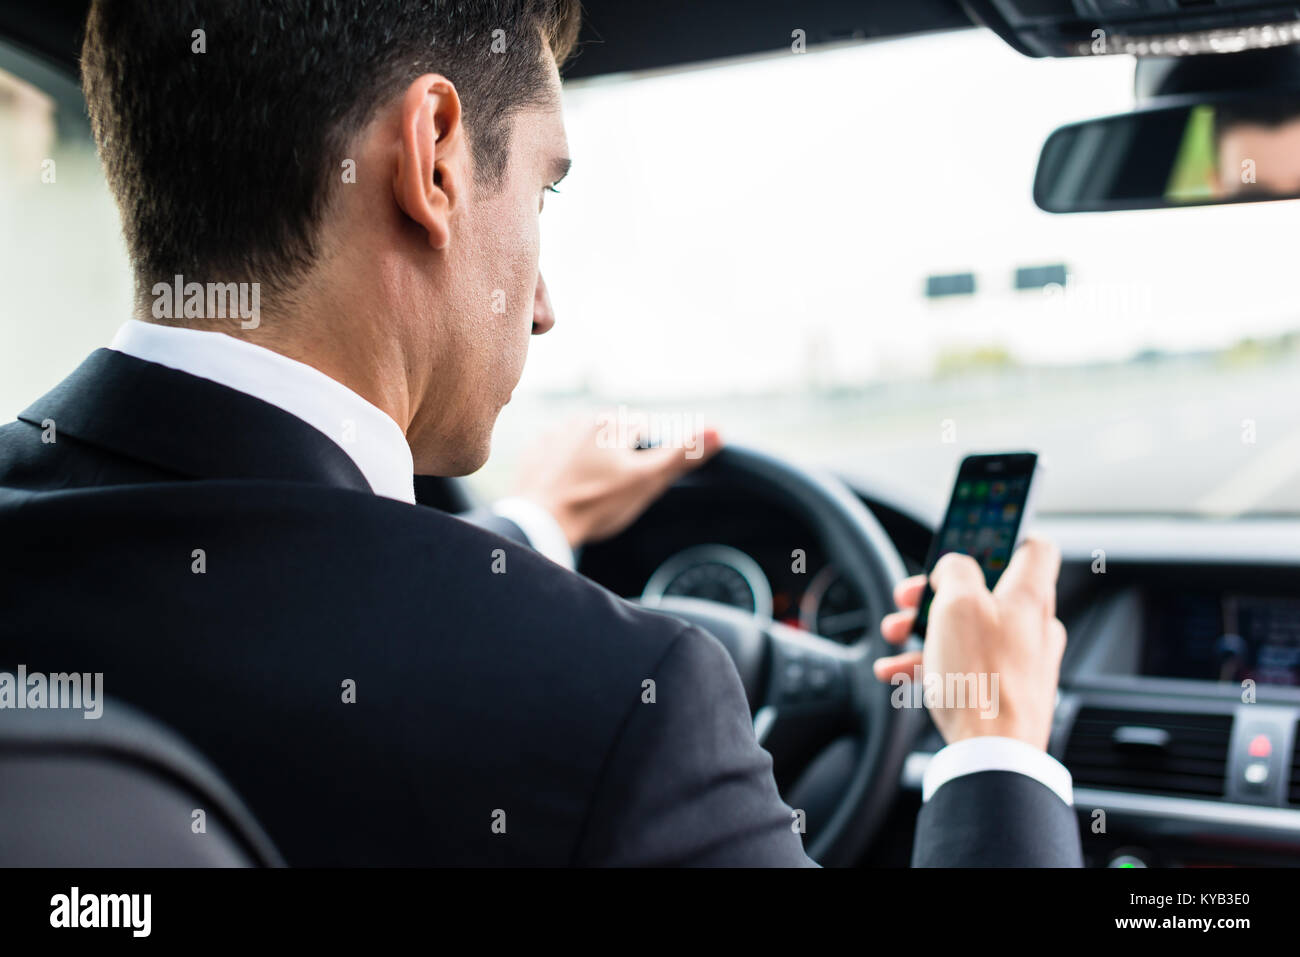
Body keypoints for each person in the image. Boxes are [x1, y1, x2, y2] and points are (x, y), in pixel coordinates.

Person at [0, 0, 1079, 866]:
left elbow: (279, 601)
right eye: (543, 190)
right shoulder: (626, 703)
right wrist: (992, 748)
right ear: (433, 158)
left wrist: (528, 532)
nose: (545, 302)